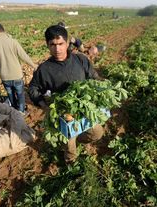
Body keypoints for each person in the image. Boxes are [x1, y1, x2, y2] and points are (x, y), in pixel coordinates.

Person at [29, 24, 104, 163]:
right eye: (52, 44)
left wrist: (102, 85)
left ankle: (75, 140)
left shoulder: (80, 60)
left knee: (97, 133)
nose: (57, 49)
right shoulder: (44, 69)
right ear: (47, 45)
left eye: (60, 43)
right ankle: (70, 162)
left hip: (84, 108)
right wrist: (43, 105)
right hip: (64, 114)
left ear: (67, 42)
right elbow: (33, 88)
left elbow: (93, 76)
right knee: (69, 146)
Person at [0, 23, 37, 114]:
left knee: (10, 95)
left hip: (5, 77)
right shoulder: (13, 41)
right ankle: (21, 112)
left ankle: (13, 111)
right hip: (16, 75)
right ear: (3, 30)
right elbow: (23, 56)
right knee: (20, 94)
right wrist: (34, 65)